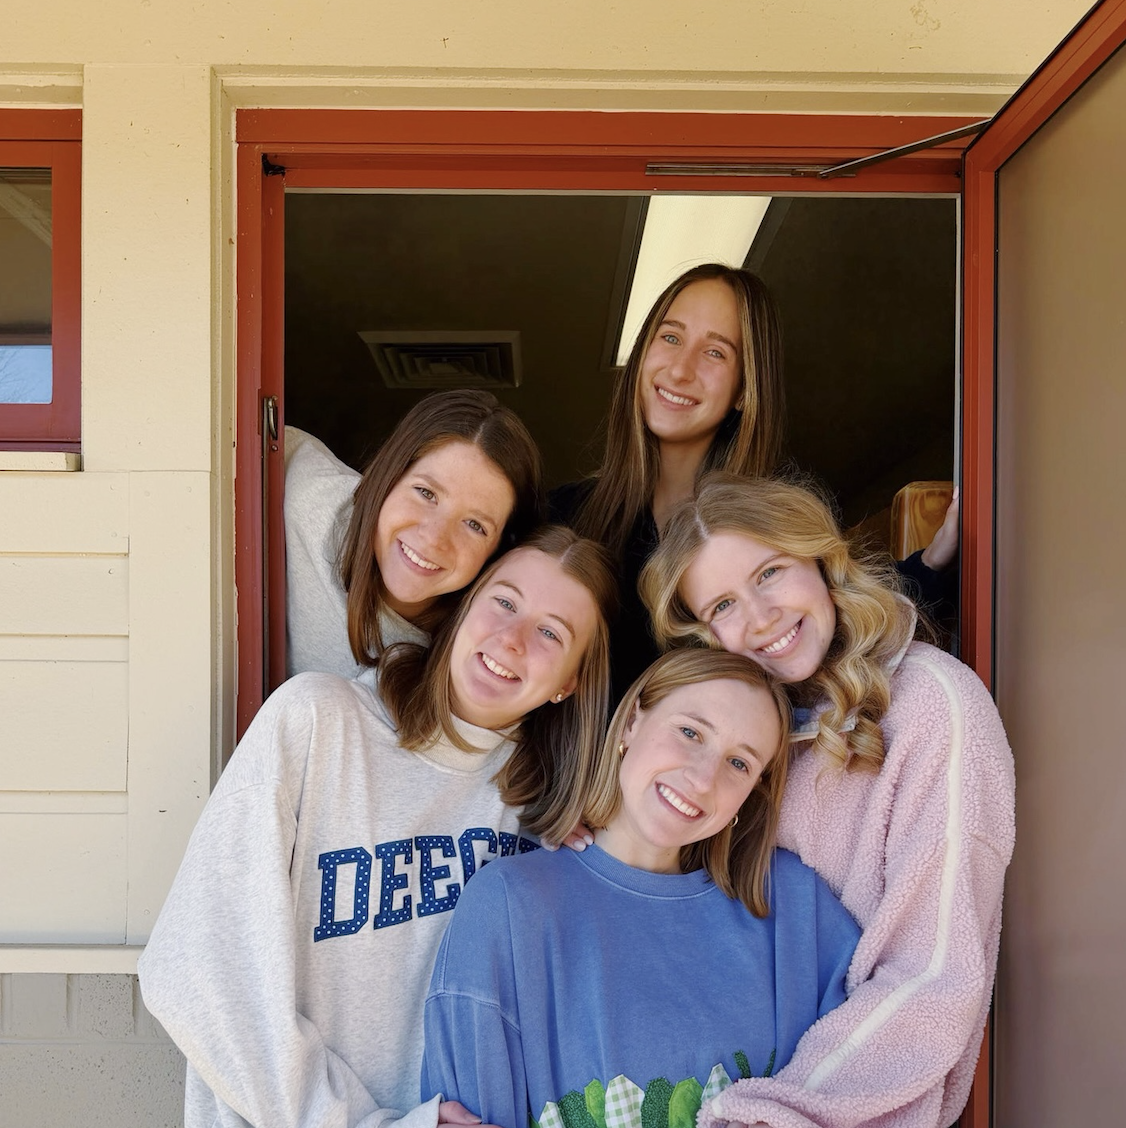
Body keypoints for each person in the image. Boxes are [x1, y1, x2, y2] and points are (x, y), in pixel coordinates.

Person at [138, 526, 616, 1128]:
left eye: (551, 633)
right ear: (465, 604)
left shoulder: (556, 816)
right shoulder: (317, 721)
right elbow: (194, 974)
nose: (512, 638)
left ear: (571, 682)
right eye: (504, 601)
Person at [639, 474, 1015, 1128]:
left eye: (769, 573)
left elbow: (930, 981)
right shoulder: (741, 740)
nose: (758, 619)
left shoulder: (934, 708)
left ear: (819, 558)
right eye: (722, 606)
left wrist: (766, 1118)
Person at [421, 648, 860, 1128]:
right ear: (632, 721)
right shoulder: (509, 906)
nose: (702, 778)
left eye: (739, 763)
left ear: (751, 792)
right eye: (690, 732)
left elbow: (873, 1079)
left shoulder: (794, 908)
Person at [551, 263, 957, 697]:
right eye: (670, 338)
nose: (681, 370)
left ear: (745, 389)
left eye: (715, 352)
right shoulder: (562, 517)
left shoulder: (773, 521)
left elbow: (847, 616)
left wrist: (936, 561)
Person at [285, 390, 543, 679]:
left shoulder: (472, 657)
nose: (434, 537)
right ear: (388, 476)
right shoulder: (303, 490)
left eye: (474, 525)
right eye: (426, 493)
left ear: (497, 551)